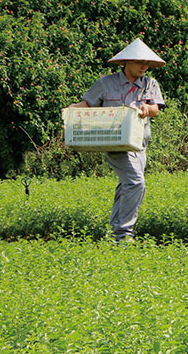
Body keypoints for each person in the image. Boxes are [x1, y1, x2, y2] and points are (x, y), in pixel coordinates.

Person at [69, 38, 166, 242]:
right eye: (140, 62)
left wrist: (146, 109)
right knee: (136, 183)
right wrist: (70, 113)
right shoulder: (106, 83)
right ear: (127, 62)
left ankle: (114, 234)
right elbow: (87, 104)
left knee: (126, 185)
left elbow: (155, 108)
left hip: (140, 144)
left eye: (147, 63)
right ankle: (123, 235)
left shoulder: (150, 84)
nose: (144, 67)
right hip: (115, 143)